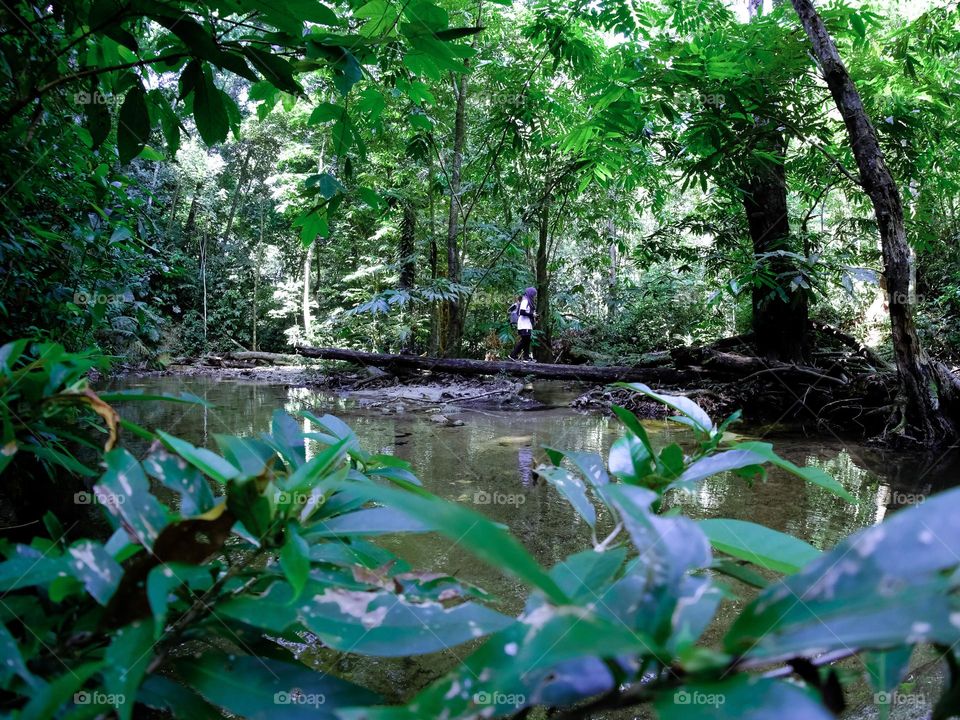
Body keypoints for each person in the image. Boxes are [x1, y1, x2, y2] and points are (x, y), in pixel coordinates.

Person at [509, 287, 537, 362]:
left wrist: (533, 315)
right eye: (534, 294)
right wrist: (532, 315)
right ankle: (513, 355)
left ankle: (526, 357)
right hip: (524, 324)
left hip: (527, 324)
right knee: (525, 340)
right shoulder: (525, 300)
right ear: (530, 294)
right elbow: (521, 312)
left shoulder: (528, 301)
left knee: (527, 340)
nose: (534, 296)